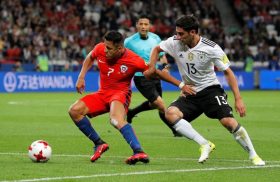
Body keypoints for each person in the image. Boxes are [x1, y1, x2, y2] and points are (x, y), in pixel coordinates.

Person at [144, 15, 265, 166]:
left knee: (228, 122)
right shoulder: (175, 42)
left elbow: (228, 72)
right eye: (177, 33)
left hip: (210, 90)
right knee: (170, 114)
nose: (178, 37)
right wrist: (151, 67)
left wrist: (238, 98)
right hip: (190, 92)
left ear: (193, 32)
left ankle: (253, 155)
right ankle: (204, 144)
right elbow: (156, 49)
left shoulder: (211, 48)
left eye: (181, 34)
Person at [68, 30, 180, 165]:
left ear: (120, 48)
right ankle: (99, 143)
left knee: (115, 120)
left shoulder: (134, 60)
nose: (105, 50)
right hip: (102, 93)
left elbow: (154, 72)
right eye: (105, 46)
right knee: (74, 111)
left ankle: (138, 151)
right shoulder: (100, 49)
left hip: (120, 94)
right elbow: (90, 57)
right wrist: (81, 77)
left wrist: (180, 84)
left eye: (109, 48)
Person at [124, 14, 179, 137]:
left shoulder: (155, 38)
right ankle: (177, 128)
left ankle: (132, 112)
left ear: (149, 26)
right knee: (161, 104)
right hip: (140, 76)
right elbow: (123, 59)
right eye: (141, 24)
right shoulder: (128, 42)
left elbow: (162, 55)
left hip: (155, 75)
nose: (143, 26)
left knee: (156, 104)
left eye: (146, 24)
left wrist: (165, 67)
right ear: (137, 26)